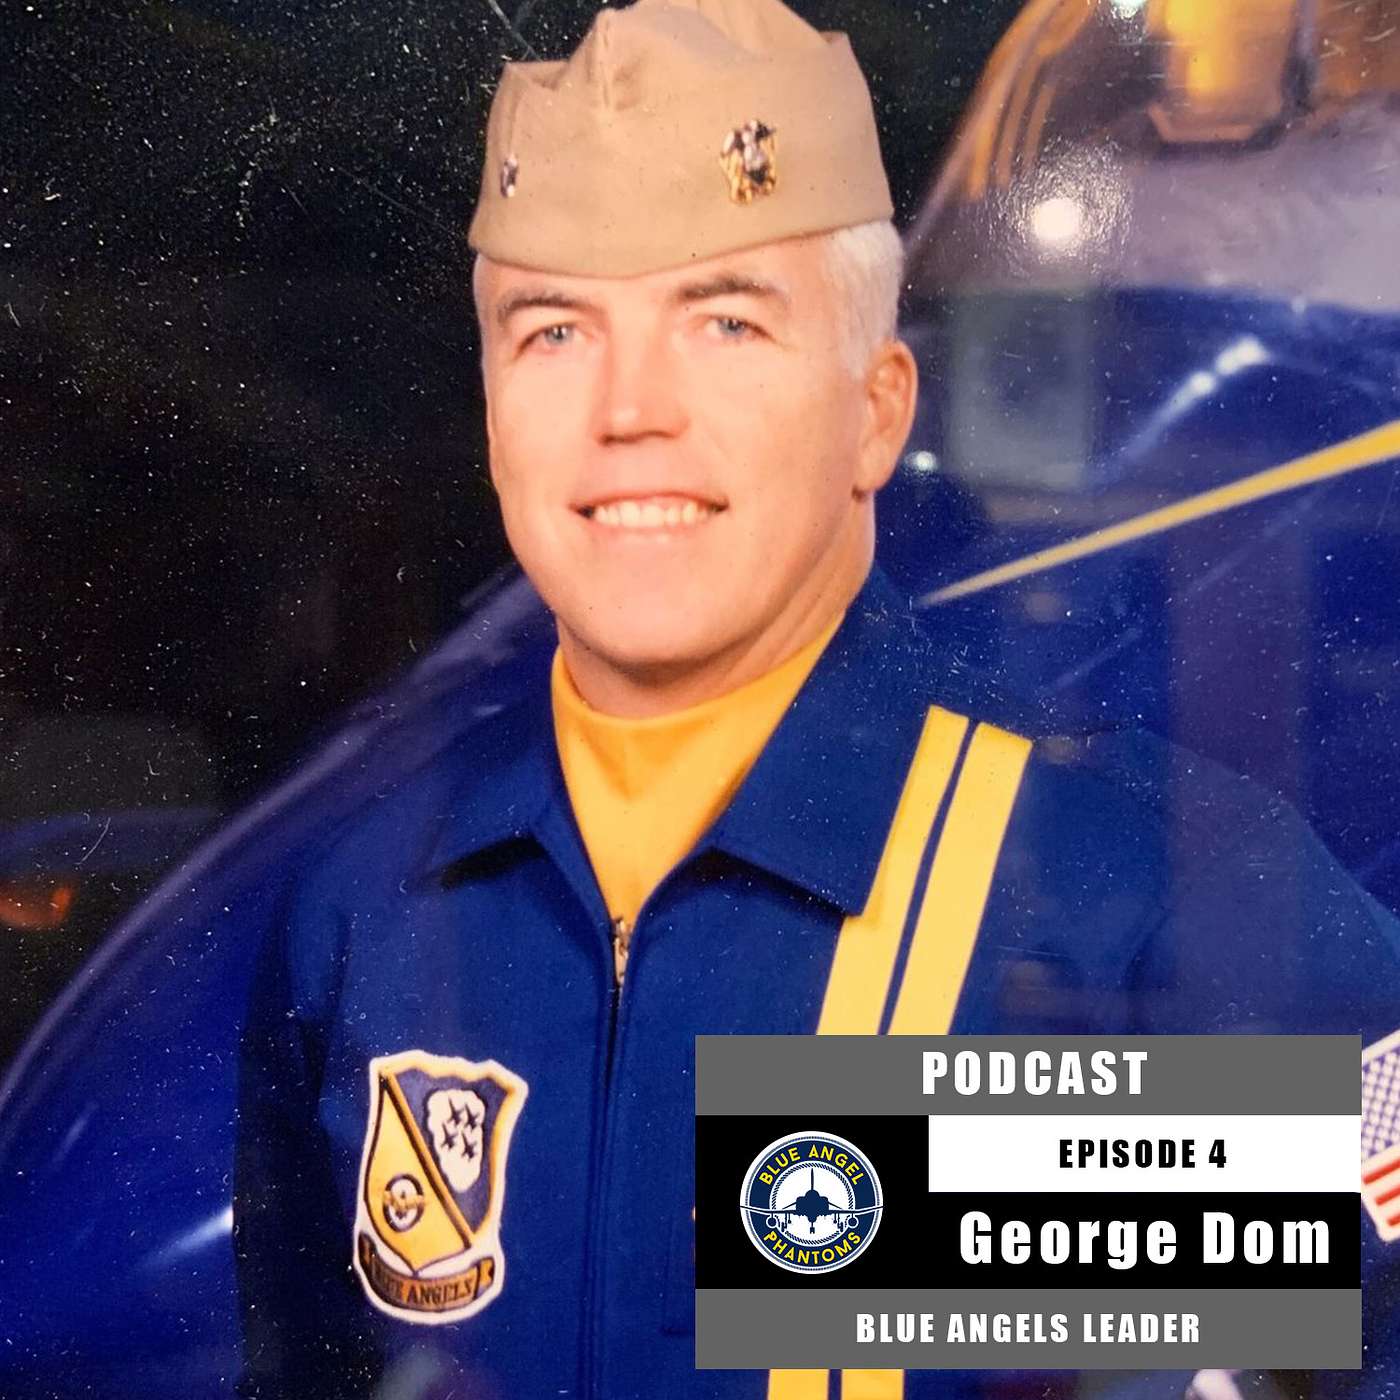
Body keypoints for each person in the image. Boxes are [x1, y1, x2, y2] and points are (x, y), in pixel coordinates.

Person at [233, 1, 1400, 1396]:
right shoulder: (362, 912)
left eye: (726, 321)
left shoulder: (1143, 898)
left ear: (876, 409)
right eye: (553, 333)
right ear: (491, 411)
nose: (630, 409)